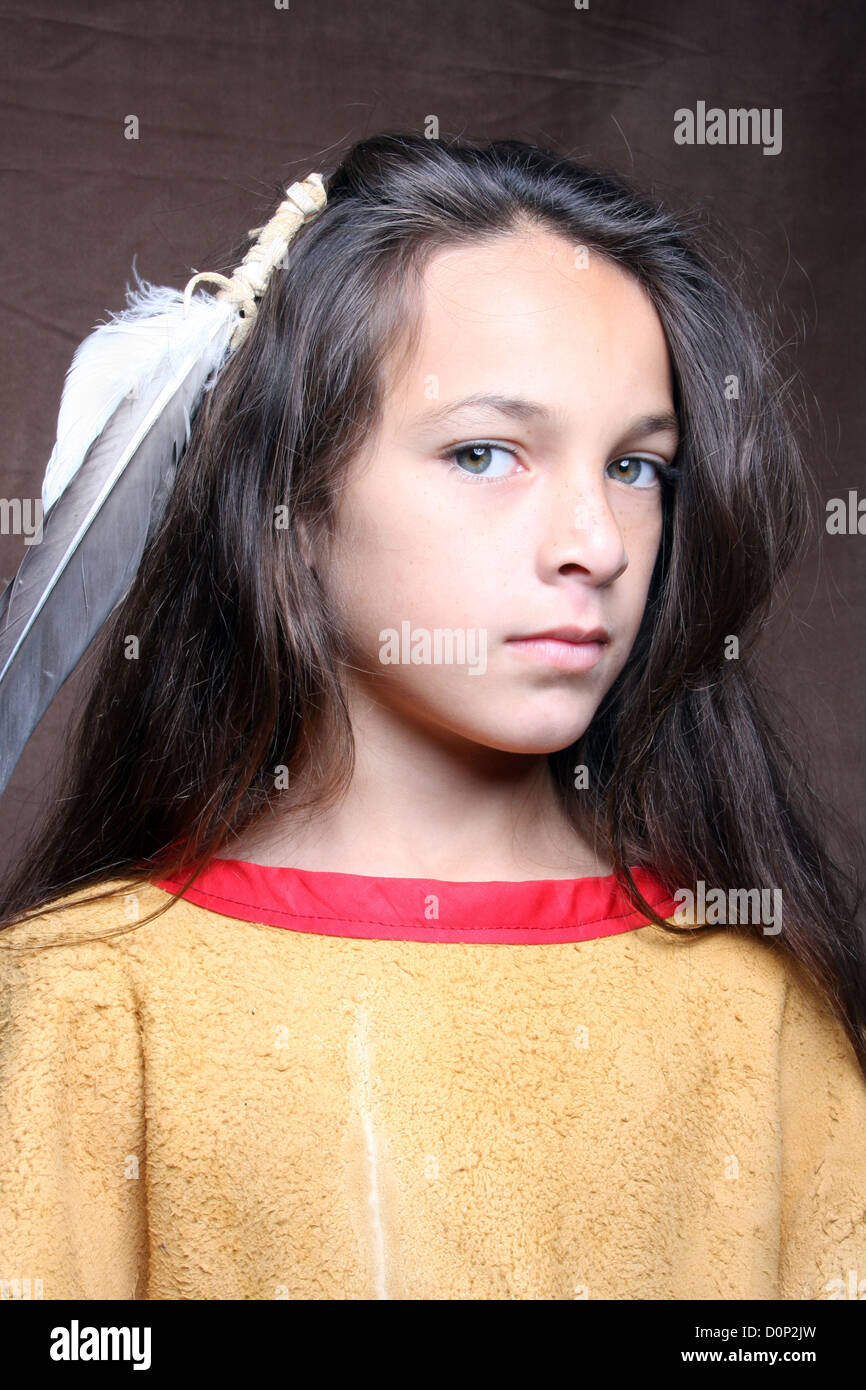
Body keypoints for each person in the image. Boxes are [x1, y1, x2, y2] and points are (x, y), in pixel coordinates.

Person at [0, 131, 864, 1301]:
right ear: (291, 505)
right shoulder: (84, 1004)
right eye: (483, 452)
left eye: (634, 466)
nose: (596, 545)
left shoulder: (754, 1008)